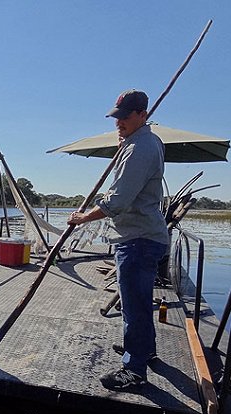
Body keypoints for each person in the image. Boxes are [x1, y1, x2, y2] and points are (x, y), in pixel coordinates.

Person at [67, 89, 169, 390]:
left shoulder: (140, 148)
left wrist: (83, 218)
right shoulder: (143, 142)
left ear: (142, 115)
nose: (119, 122)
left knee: (134, 307)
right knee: (137, 302)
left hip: (138, 239)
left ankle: (134, 370)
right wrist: (124, 143)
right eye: (117, 117)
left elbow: (119, 201)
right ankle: (143, 349)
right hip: (143, 236)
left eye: (126, 117)